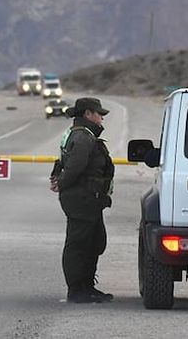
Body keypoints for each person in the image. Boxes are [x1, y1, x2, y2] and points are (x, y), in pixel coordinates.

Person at [49, 97, 115, 303]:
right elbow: (75, 167)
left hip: (89, 200)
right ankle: (77, 289)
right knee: (79, 244)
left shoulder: (81, 135)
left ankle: (87, 286)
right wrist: (61, 183)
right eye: (99, 114)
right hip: (82, 199)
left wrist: (60, 181)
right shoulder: (83, 138)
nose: (102, 118)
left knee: (94, 242)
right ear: (88, 114)